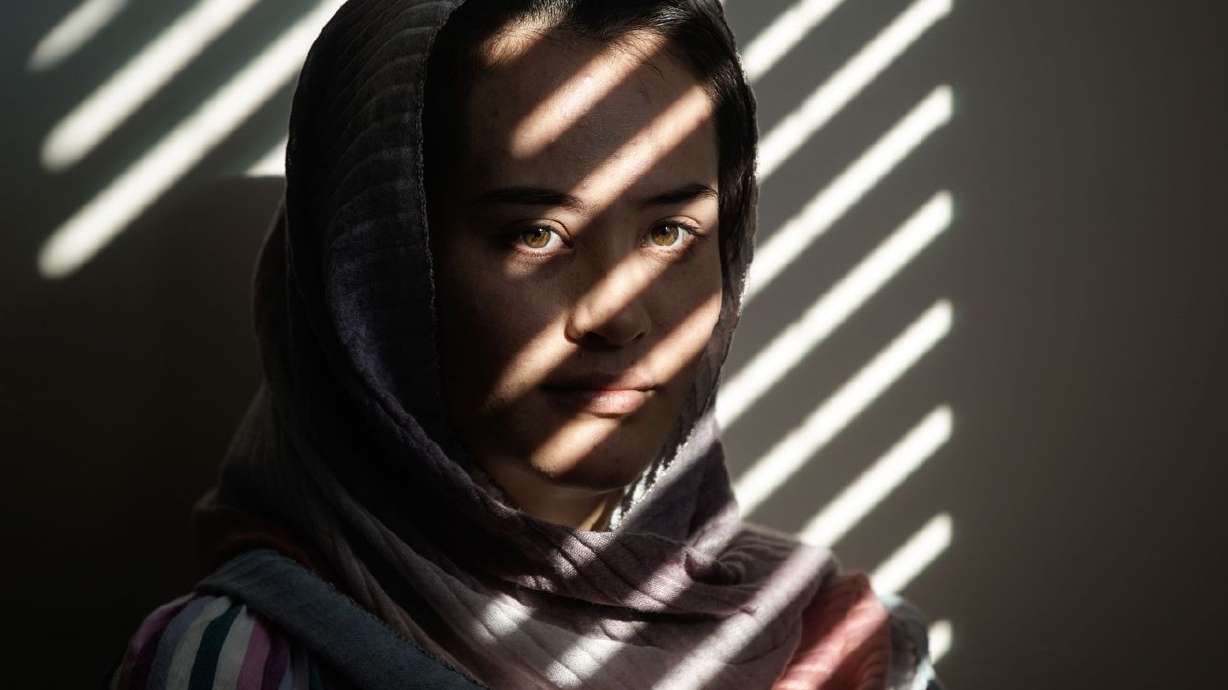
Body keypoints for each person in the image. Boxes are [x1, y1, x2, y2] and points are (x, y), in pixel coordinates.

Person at [108, 0, 942, 688]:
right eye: (537, 233)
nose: (619, 313)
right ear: (380, 276)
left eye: (671, 231)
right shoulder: (246, 665)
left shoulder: (851, 656)